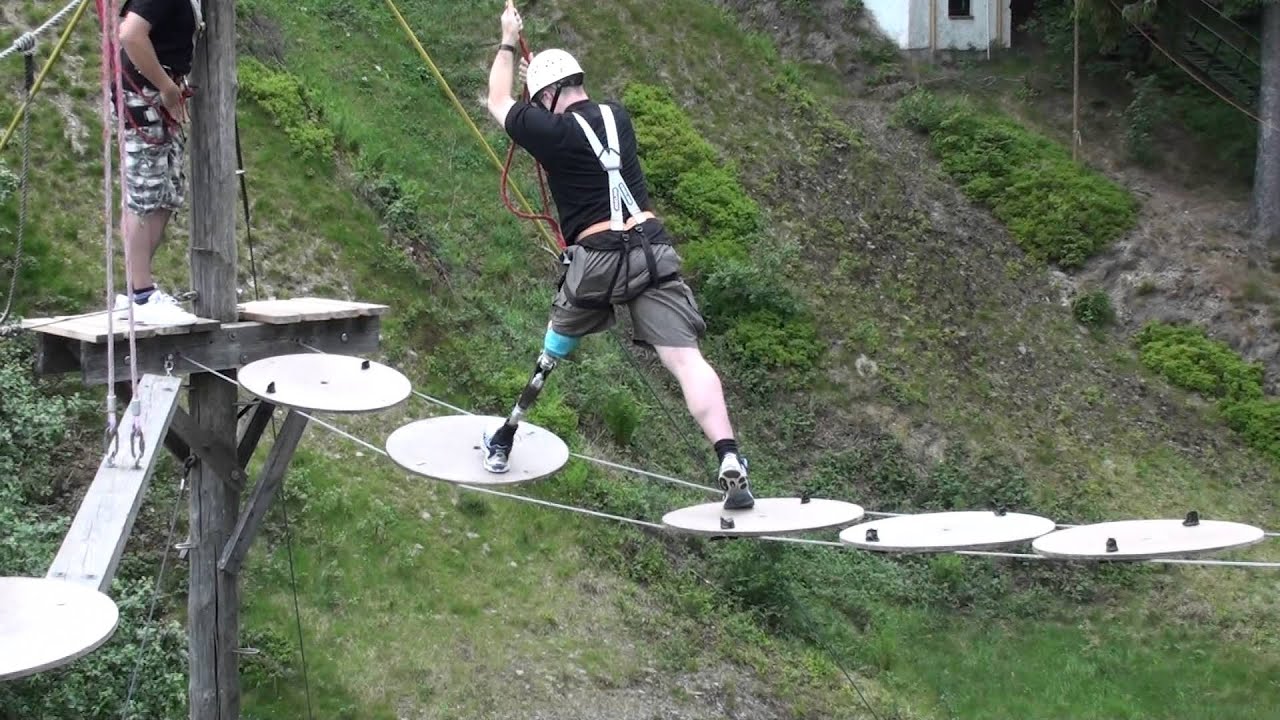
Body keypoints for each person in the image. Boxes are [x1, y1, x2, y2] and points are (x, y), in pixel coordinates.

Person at [481, 1, 754, 510]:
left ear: (547, 96)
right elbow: (574, 115)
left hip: (597, 260)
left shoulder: (553, 131)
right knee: (686, 360)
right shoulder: (619, 116)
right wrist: (540, 81)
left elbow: (497, 98)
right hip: (651, 251)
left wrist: (505, 38)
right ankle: (729, 456)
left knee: (553, 349)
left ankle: (506, 435)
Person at [112, 0, 201, 324]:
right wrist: (165, 87)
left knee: (166, 192)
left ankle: (136, 290)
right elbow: (131, 34)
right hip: (146, 95)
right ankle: (143, 294)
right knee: (144, 194)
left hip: (160, 94)